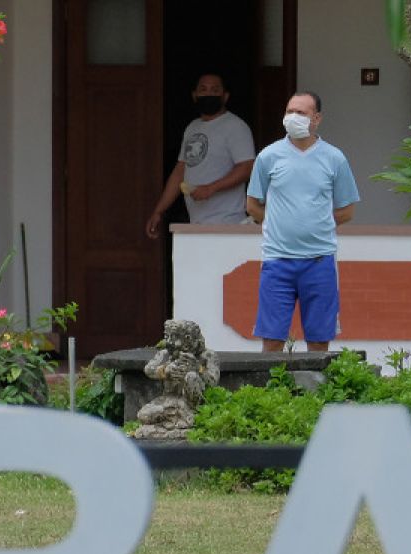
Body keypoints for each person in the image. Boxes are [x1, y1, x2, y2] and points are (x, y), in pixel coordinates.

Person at [245, 91, 359, 352]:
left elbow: (347, 210)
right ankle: (270, 391)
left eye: (301, 113)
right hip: (277, 260)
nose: (292, 117)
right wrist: (278, 221)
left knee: (319, 340)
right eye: (289, 112)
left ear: (316, 118)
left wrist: (315, 224)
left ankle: (316, 391)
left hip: (320, 260)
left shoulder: (334, 158)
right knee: (272, 338)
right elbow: (252, 205)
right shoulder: (268, 156)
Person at [145, 73, 255, 238]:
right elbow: (180, 171)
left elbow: (247, 167)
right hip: (196, 223)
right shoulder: (192, 128)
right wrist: (159, 211)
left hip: (226, 223)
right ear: (195, 95)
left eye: (215, 90)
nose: (209, 94)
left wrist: (211, 189)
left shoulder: (236, 127)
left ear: (225, 96)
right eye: (203, 89)